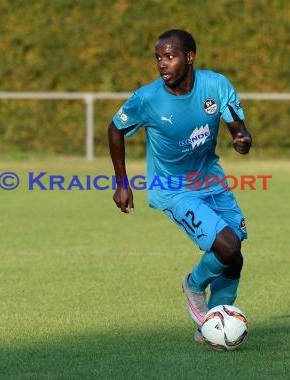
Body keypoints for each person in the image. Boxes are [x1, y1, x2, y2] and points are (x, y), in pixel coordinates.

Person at [108, 29, 252, 343]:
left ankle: (211, 327)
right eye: (158, 58)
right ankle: (193, 284)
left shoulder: (216, 85)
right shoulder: (147, 99)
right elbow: (115, 128)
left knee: (234, 254)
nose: (162, 64)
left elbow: (238, 128)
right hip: (172, 188)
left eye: (170, 56)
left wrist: (242, 139)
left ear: (189, 58)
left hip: (212, 181)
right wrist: (122, 182)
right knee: (226, 246)